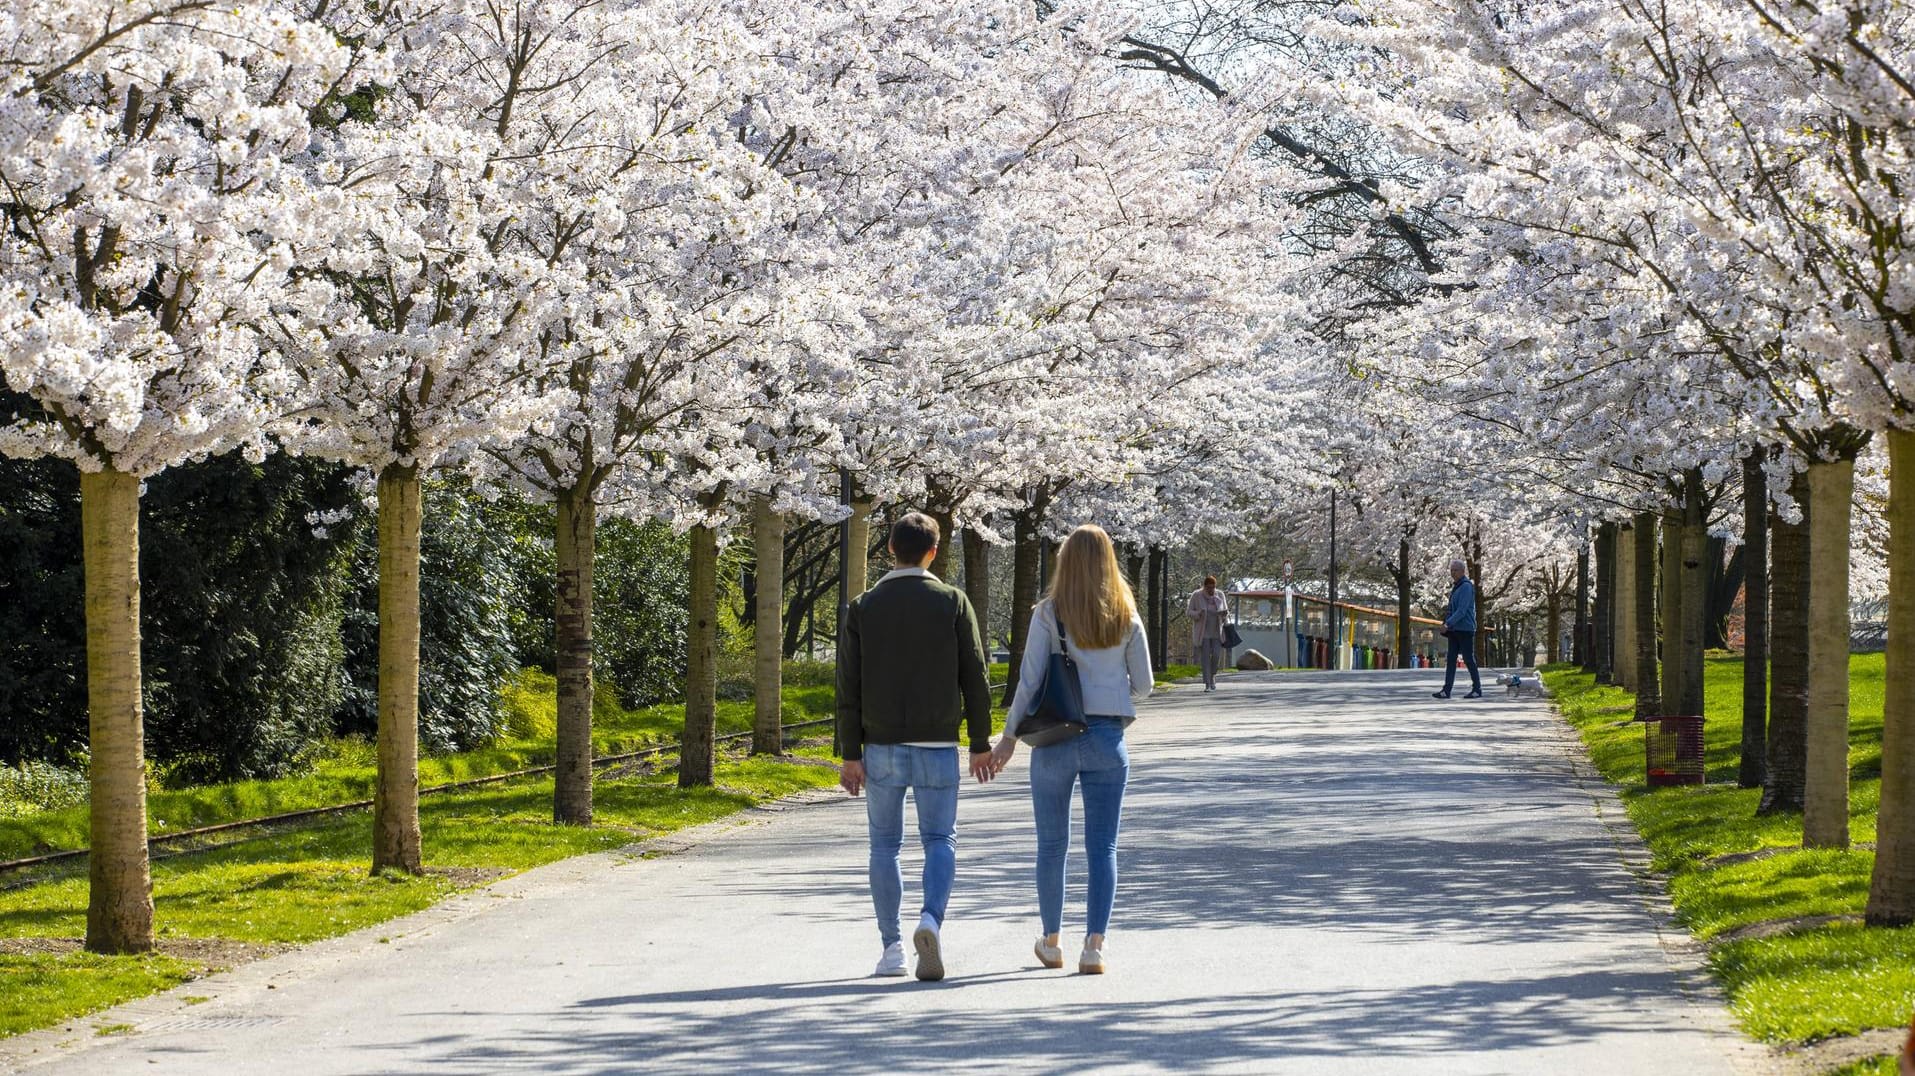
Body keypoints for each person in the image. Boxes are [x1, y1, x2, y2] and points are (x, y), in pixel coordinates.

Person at [836, 511, 996, 981]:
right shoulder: (952, 601)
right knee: (939, 839)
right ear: (933, 551)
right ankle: (930, 920)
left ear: (889, 548)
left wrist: (850, 753)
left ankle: (892, 950)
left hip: (881, 743)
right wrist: (980, 743)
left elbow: (848, 685)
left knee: (884, 846)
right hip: (937, 742)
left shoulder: (864, 607)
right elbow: (977, 678)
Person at [990, 524, 1152, 975]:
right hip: (1106, 738)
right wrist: (1111, 687)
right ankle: (1094, 946)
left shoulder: (1048, 614)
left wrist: (1008, 739)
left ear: (1065, 561)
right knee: (1103, 847)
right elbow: (1145, 687)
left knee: (1051, 845)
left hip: (1056, 739)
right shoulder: (1126, 615)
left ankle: (1052, 940)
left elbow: (1028, 682)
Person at [1433, 557, 1482, 699]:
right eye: (1451, 570)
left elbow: (1462, 610)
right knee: (1451, 658)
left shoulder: (1466, 586)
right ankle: (1446, 690)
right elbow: (1452, 609)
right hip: (1454, 629)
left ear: (1462, 571)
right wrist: (1447, 623)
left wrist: (1448, 624)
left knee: (1468, 658)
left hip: (1465, 628)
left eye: (1455, 570)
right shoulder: (1457, 586)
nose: (1452, 573)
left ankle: (1477, 688)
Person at [1186, 575, 1230, 692]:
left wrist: (1224, 615)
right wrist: (1198, 614)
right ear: (1204, 587)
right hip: (1203, 632)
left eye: (1213, 587)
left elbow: (1226, 610)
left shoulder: (1220, 595)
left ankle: (1212, 676)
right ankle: (1207, 683)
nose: (1211, 590)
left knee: (1216, 655)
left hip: (1217, 631)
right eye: (1209, 588)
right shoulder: (1197, 595)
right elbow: (1189, 611)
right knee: (1205, 658)